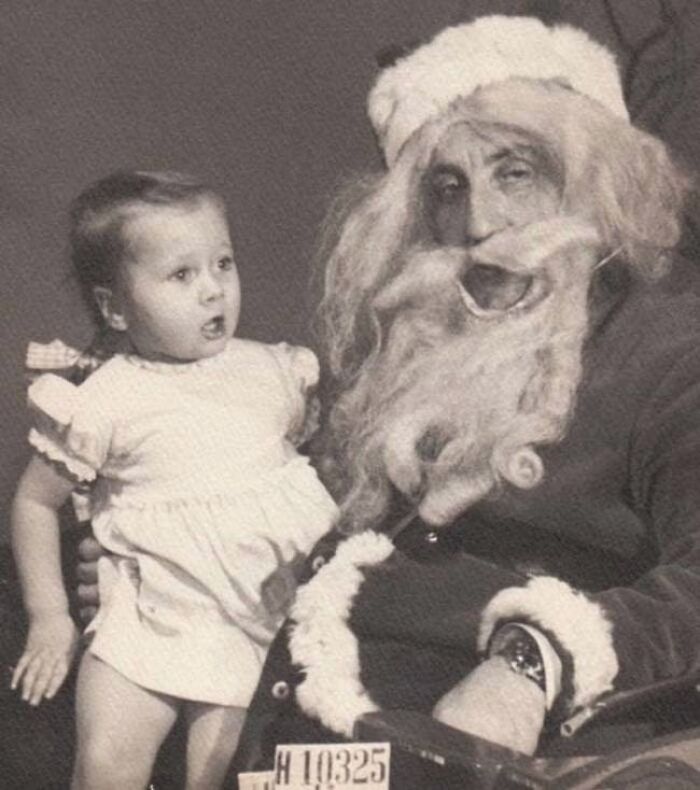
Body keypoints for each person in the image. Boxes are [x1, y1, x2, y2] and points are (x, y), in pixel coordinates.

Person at [220, 14, 700, 786]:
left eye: (516, 173)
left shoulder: (674, 349)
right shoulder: (411, 351)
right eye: (446, 189)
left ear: (596, 176)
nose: (478, 226)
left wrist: (534, 660)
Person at [10, 170, 338, 789]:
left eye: (223, 263)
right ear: (114, 306)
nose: (213, 291)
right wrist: (49, 613)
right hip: (149, 614)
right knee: (107, 760)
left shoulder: (272, 370)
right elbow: (34, 501)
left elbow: (299, 473)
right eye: (182, 275)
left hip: (259, 621)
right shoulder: (107, 398)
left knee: (228, 768)